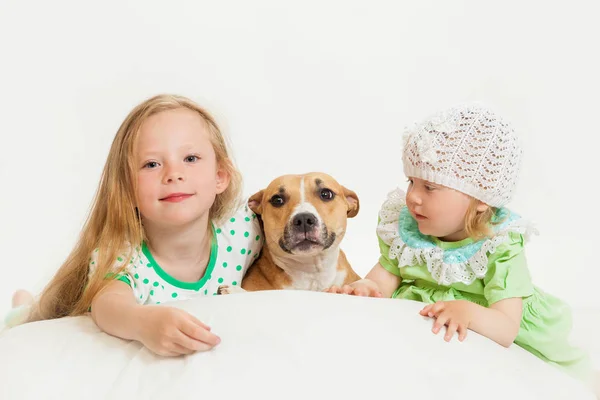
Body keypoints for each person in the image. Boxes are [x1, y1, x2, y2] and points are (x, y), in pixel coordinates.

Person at [325, 103, 594, 387]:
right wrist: (368, 288)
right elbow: (385, 277)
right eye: (411, 181)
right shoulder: (407, 230)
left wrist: (467, 310)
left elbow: (505, 328)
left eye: (430, 187)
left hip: (511, 339)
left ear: (481, 199)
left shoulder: (499, 245)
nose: (413, 197)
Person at [5, 94, 263, 357]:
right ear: (128, 189)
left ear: (220, 177)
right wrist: (143, 322)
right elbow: (109, 304)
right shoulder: (124, 256)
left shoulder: (244, 230)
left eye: (191, 158)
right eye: (152, 164)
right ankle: (23, 305)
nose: (174, 174)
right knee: (24, 319)